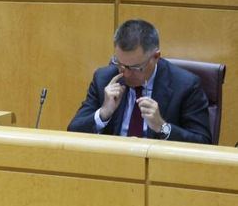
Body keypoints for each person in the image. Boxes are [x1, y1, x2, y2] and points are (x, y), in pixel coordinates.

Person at [68, 19, 211, 144]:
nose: (125, 73)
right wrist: (104, 113)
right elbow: (73, 132)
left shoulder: (185, 85)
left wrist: (162, 127)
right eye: (119, 64)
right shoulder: (104, 79)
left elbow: (203, 143)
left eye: (135, 67)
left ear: (155, 57)